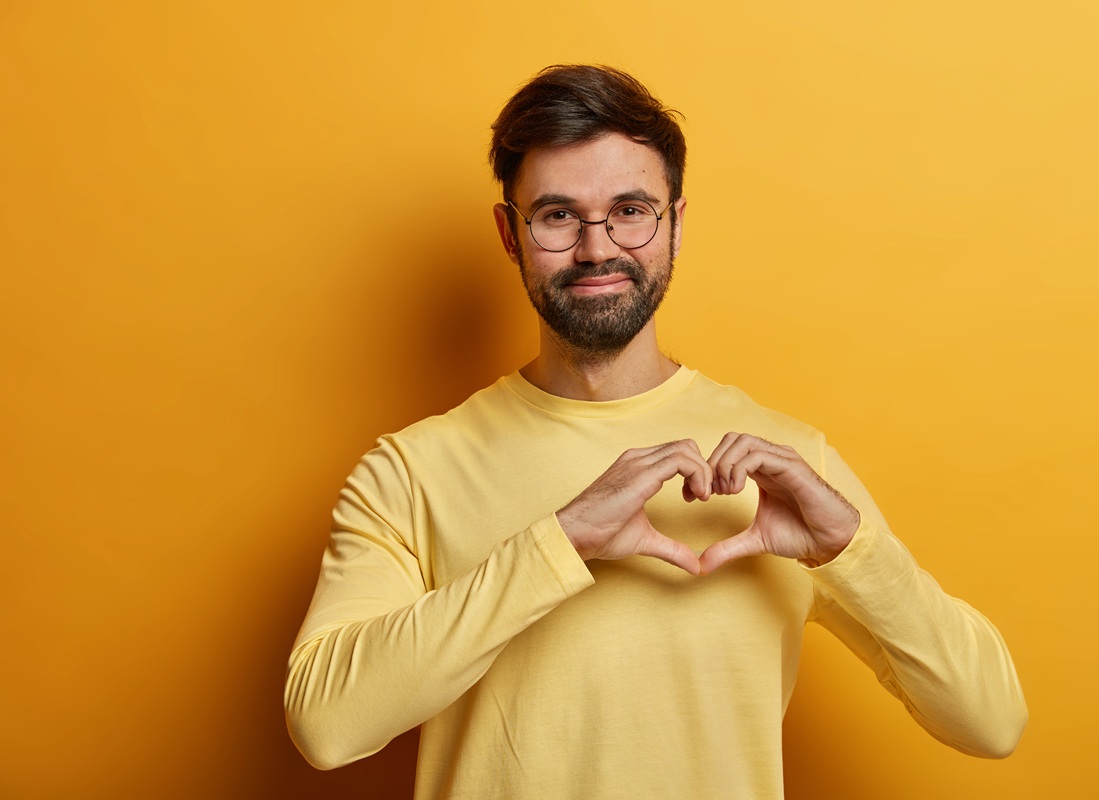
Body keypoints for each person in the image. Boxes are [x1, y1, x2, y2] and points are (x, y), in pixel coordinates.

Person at [285, 64, 1027, 798]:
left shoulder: (792, 466)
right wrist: (558, 543)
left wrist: (852, 552)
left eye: (631, 210)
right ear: (510, 234)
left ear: (676, 221)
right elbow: (325, 727)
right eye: (558, 215)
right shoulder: (411, 472)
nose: (597, 248)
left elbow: (991, 721)